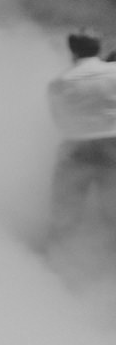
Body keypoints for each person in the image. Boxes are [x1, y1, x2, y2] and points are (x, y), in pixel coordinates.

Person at [46, 30, 116, 248]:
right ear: (99, 47)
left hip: (75, 147)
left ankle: (59, 259)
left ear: (72, 51)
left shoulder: (59, 82)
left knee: (67, 212)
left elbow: (59, 120)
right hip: (112, 144)